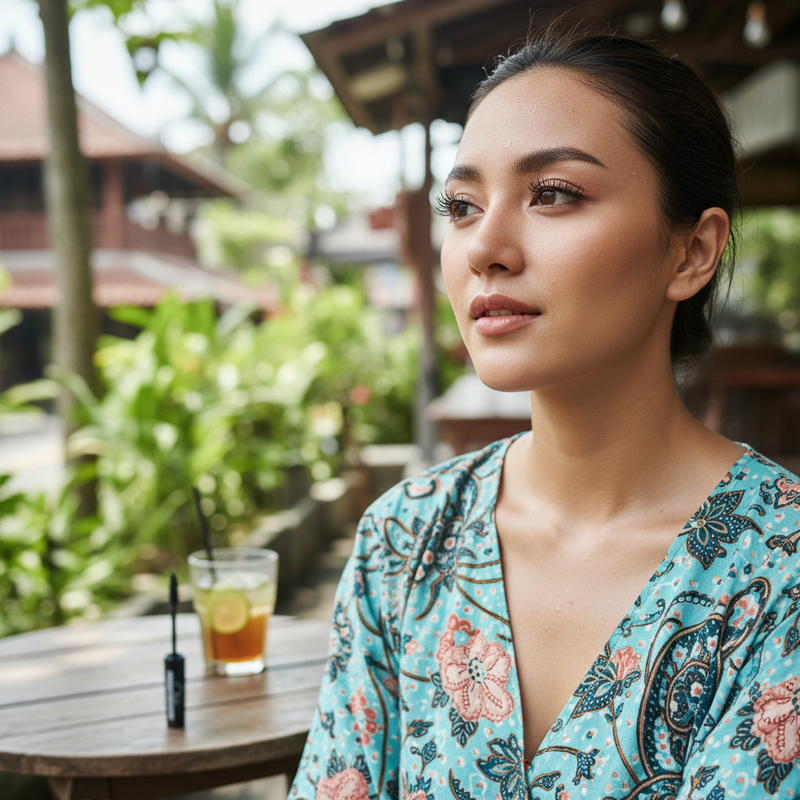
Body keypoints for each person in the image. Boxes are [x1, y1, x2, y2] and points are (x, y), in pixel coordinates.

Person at [289, 27, 800, 800]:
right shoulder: (404, 543)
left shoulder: (782, 568)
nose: (484, 246)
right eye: (461, 206)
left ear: (690, 253)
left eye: (553, 193)